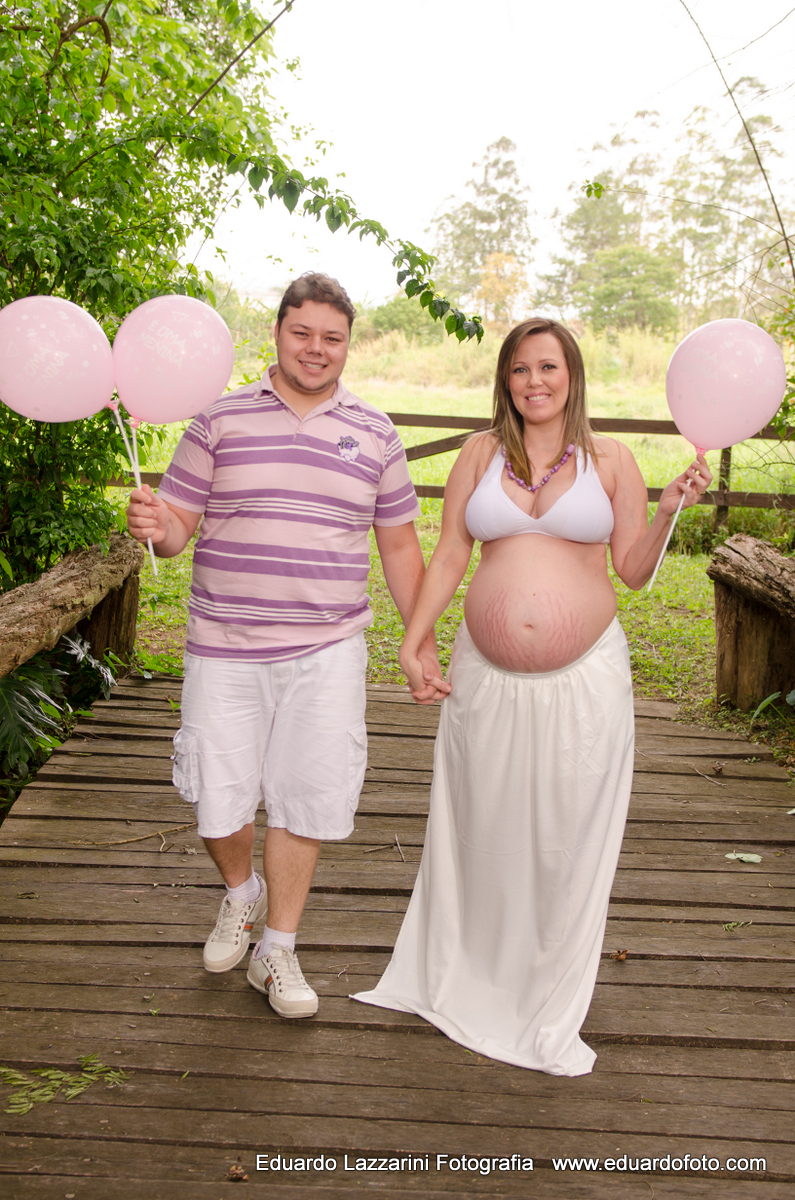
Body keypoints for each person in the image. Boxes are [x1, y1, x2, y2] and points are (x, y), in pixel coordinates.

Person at [353, 317, 712, 1074]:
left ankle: (545, 991)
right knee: (479, 824)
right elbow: (450, 552)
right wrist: (413, 640)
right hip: (484, 679)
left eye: (547, 367)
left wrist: (671, 506)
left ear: (572, 375)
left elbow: (634, 570)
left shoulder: (611, 459)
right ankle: (473, 975)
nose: (534, 382)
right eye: (519, 369)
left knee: (565, 834)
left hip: (584, 685)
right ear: (504, 380)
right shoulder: (479, 454)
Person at [126, 272, 444, 1019]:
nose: (316, 349)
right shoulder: (219, 419)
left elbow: (399, 546)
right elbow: (177, 530)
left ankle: (277, 948)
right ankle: (240, 892)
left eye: (332, 338)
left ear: (347, 345)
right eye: (302, 333)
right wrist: (156, 525)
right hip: (224, 645)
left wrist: (418, 638)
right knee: (216, 798)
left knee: (306, 797)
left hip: (327, 650)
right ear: (276, 332)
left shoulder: (374, 431)